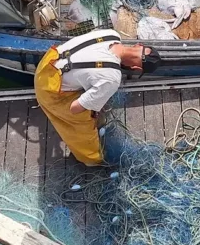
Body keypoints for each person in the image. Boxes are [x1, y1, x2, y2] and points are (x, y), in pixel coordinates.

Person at [34, 29, 160, 164]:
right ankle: (91, 159)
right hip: (48, 88)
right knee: (83, 121)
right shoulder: (112, 78)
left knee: (94, 92)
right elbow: (74, 109)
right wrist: (92, 111)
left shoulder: (111, 34)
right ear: (136, 68)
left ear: (138, 45)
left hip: (47, 62)